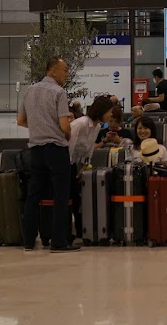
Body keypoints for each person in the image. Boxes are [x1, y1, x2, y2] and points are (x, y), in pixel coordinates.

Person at [18, 57, 79, 252]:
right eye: (65, 70)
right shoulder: (59, 92)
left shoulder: (29, 91)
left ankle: (28, 240)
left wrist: (39, 127)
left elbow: (20, 120)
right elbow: (63, 125)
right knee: (61, 195)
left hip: (36, 149)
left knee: (34, 195)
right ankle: (58, 242)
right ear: (53, 71)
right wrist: (67, 132)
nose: (67, 74)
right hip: (56, 149)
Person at [68, 95, 115, 242]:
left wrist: (83, 167)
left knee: (77, 199)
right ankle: (67, 232)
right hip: (66, 163)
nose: (111, 115)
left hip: (78, 165)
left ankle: (81, 230)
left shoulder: (97, 126)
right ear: (101, 110)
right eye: (109, 111)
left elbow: (88, 149)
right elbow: (69, 147)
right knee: (71, 198)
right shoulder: (80, 124)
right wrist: (71, 169)